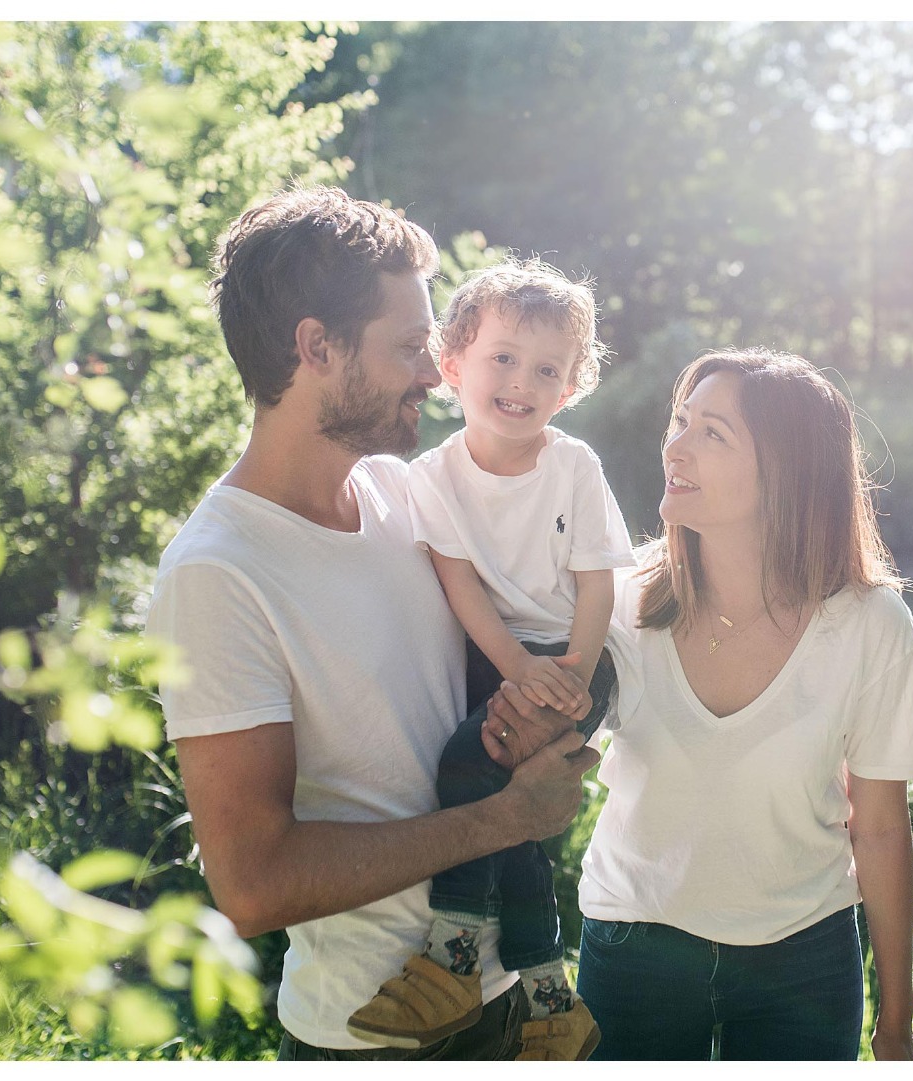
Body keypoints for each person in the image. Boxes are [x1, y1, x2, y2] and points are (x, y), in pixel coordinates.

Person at [143, 186, 599, 1061]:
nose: (433, 372)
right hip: (372, 1032)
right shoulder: (218, 572)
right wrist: (503, 818)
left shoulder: (401, 491)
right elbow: (253, 884)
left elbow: (545, 585)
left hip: (510, 999)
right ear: (317, 346)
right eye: (407, 346)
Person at [488, 348, 913, 1061]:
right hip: (632, 947)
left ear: (786, 471)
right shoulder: (618, 602)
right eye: (680, 422)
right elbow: (543, 747)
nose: (675, 446)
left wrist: (896, 1020)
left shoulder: (871, 624)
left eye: (712, 433)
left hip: (804, 960)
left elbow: (878, 828)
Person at [345, 260, 634, 1060]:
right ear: (451, 364)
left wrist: (571, 675)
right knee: (513, 819)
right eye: (502, 357)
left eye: (546, 369)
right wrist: (513, 668)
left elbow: (597, 584)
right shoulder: (432, 476)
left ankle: (452, 956)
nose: (520, 382)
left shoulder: (572, 466)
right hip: (499, 657)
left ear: (569, 386)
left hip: (576, 653)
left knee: (468, 763)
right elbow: (461, 586)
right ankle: (550, 999)